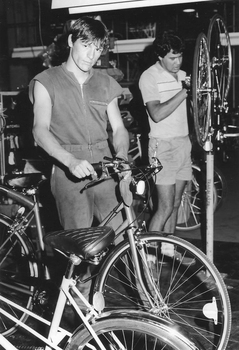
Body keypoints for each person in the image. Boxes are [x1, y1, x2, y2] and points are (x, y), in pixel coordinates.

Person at [29, 16, 129, 304]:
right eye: (86, 46)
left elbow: (119, 128)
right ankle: (79, 316)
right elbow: (40, 130)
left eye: (98, 49)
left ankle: (145, 304)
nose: (92, 55)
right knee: (81, 252)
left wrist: (121, 158)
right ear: (71, 41)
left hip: (105, 166)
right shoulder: (46, 81)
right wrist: (69, 161)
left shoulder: (106, 82)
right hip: (69, 171)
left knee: (125, 238)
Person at [139, 31, 192, 237]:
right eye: (172, 58)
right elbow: (157, 114)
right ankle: (150, 255)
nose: (177, 62)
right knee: (165, 207)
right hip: (163, 147)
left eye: (180, 56)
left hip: (183, 143)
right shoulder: (149, 77)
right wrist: (184, 92)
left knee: (177, 204)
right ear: (160, 56)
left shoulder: (183, 76)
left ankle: (168, 250)